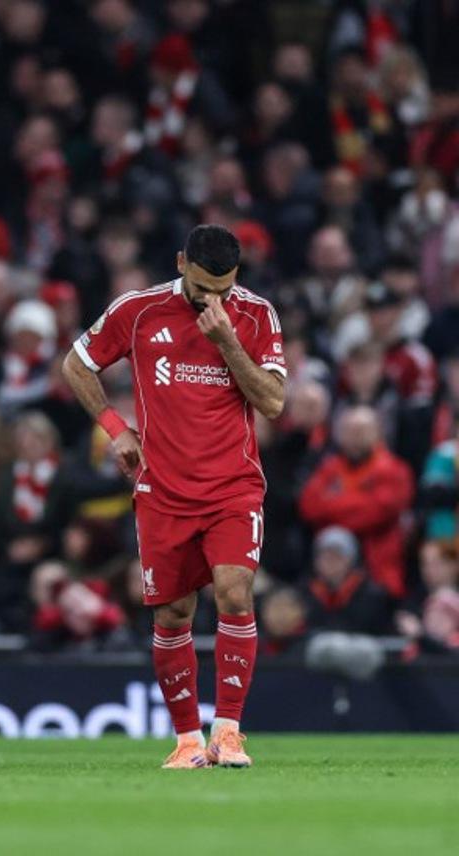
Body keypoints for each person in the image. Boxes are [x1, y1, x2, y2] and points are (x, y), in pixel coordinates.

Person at [62, 224, 287, 769]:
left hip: (232, 485)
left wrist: (227, 339)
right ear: (181, 261)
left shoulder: (255, 315)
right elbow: (76, 364)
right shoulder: (138, 310)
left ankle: (228, 733)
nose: (215, 299)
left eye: (225, 288)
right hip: (162, 490)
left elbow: (274, 403)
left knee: (234, 591)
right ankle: (187, 742)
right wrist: (116, 427)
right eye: (204, 286)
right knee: (172, 613)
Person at [298, 406, 415, 599]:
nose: (355, 436)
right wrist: (358, 501)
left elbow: (377, 513)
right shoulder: (329, 468)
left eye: (361, 430)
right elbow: (309, 506)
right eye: (349, 430)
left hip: (378, 574)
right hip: (327, 580)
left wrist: (332, 506)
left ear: (377, 433)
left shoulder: (395, 470)